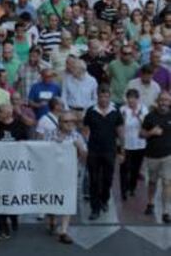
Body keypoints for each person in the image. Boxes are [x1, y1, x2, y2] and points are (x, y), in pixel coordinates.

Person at [83, 86, 124, 220]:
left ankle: (104, 200)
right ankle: (95, 208)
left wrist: (122, 151)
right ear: (97, 97)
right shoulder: (91, 111)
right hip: (94, 151)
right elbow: (85, 130)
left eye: (106, 96)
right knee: (94, 180)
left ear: (110, 96)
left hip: (110, 151)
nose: (104, 99)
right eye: (101, 96)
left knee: (107, 179)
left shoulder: (115, 111)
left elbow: (120, 132)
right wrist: (84, 149)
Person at [0, 103, 29, 240]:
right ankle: (2, 228)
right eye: (2, 112)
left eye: (7, 112)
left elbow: (26, 143)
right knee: (2, 198)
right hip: (0, 167)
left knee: (13, 195)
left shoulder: (19, 125)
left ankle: (13, 216)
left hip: (16, 167)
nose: (4, 114)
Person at [47, 111, 88, 243]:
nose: (70, 124)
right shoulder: (50, 135)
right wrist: (54, 145)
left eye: (73, 121)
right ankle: (52, 220)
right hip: (52, 173)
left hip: (70, 174)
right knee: (52, 199)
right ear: (59, 123)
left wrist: (80, 148)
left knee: (68, 200)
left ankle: (64, 231)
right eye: (67, 121)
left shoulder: (77, 136)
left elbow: (85, 158)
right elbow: (40, 153)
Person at [141, 92, 171, 223]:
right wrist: (151, 132)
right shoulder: (150, 116)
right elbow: (141, 134)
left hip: (168, 156)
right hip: (152, 155)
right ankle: (150, 203)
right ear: (157, 101)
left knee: (167, 183)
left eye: (166, 100)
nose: (164, 102)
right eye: (162, 100)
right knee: (152, 182)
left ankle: (166, 211)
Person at [119, 89, 147, 201]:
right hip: (125, 144)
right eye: (129, 99)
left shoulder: (143, 109)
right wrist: (124, 119)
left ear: (137, 99)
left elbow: (146, 125)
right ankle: (123, 190)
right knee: (124, 168)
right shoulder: (122, 110)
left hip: (139, 144)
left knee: (135, 169)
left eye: (133, 99)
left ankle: (132, 187)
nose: (131, 101)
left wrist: (138, 116)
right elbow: (120, 126)